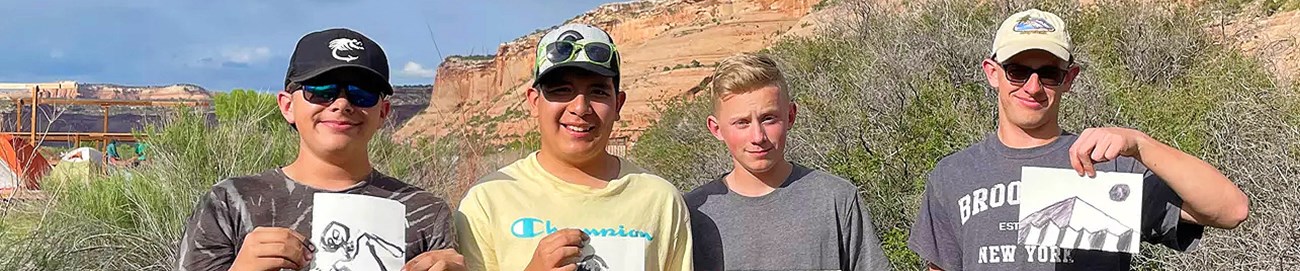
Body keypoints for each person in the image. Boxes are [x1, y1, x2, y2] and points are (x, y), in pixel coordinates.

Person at [906, 9, 1250, 270]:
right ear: (992, 73)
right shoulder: (952, 175)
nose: (1033, 86)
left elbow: (1231, 209)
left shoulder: (1111, 166)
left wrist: (1141, 144)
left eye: (1049, 73)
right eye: (1018, 71)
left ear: (1069, 78)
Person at [176, 28, 464, 271]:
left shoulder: (427, 211)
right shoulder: (228, 203)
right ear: (287, 106)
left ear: (383, 113)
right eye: (322, 91)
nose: (342, 104)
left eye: (361, 93)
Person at [454, 23, 692, 271]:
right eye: (562, 91)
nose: (580, 108)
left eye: (598, 92)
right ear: (534, 102)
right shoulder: (488, 200)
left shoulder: (660, 200)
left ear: (618, 104)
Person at [684, 53, 891, 270]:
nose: (758, 137)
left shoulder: (835, 199)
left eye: (769, 118)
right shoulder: (693, 213)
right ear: (716, 129)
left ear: (790, 116)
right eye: (742, 123)